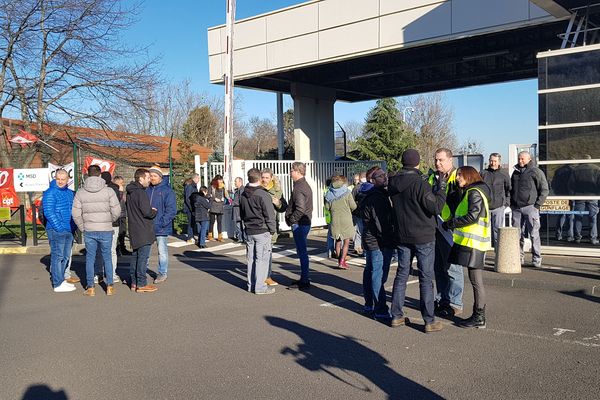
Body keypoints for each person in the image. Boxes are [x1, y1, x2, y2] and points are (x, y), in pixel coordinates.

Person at [388, 149, 447, 332]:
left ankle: (396, 315)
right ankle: (429, 320)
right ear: (417, 163)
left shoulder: (393, 183)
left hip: (402, 234)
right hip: (423, 235)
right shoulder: (420, 184)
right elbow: (436, 207)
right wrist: (441, 188)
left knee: (402, 274)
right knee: (425, 277)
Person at [443, 166, 491, 328]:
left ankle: (479, 317)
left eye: (460, 176)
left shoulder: (474, 192)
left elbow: (472, 215)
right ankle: (478, 316)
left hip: (473, 243)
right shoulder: (476, 191)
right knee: (475, 280)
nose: (457, 178)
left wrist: (452, 223)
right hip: (473, 242)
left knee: (476, 281)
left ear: (469, 176)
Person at [72, 165, 120, 296]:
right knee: (107, 257)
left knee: (90, 258)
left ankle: (90, 287)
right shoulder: (109, 191)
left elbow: (75, 213)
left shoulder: (80, 192)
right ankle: (110, 286)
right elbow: (117, 210)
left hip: (89, 229)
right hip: (106, 229)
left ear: (88, 175)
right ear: (100, 175)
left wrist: (82, 227)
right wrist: (109, 220)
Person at [429, 148, 464, 317]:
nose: (438, 163)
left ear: (450, 160)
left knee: (453, 268)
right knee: (439, 267)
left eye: (441, 160)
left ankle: (455, 303)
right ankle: (442, 300)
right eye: (436, 160)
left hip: (451, 229)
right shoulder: (432, 177)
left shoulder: (459, 177)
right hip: (435, 228)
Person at [361, 166, 395, 319]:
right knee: (377, 274)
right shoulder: (377, 197)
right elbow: (381, 224)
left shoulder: (375, 194)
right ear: (372, 180)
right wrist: (388, 241)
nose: (384, 177)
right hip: (377, 242)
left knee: (370, 272)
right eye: (380, 176)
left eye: (384, 175)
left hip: (371, 239)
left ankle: (369, 304)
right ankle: (380, 308)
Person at [240, 168, 277, 294]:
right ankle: (260, 287)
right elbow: (269, 214)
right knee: (262, 259)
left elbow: (242, 213)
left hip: (249, 229)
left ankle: (251, 284)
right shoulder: (263, 194)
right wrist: (272, 230)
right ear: (260, 178)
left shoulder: (243, 194)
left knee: (251, 259)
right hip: (262, 229)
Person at [510, 151, 549, 267]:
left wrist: (537, 205)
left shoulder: (536, 171)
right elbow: (511, 189)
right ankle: (519, 257)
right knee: (517, 235)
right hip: (516, 209)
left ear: (529, 159)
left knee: (534, 234)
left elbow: (544, 189)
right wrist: (511, 204)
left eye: (522, 159)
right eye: (519, 158)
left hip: (531, 207)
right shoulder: (515, 173)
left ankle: (536, 258)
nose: (520, 161)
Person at [43, 169, 78, 292]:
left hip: (69, 229)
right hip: (56, 229)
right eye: (58, 179)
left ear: (68, 179)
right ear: (55, 179)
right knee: (58, 256)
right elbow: (48, 211)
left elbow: (72, 210)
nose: (60, 181)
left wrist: (73, 226)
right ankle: (57, 284)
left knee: (65, 256)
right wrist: (59, 227)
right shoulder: (50, 192)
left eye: (63, 179)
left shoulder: (69, 193)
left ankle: (61, 279)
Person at [126, 168, 158, 293]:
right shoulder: (140, 192)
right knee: (143, 258)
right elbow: (147, 212)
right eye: (148, 178)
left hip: (134, 227)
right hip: (143, 228)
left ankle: (134, 282)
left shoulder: (130, 191)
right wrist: (154, 211)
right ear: (141, 178)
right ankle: (141, 283)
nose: (149, 181)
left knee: (136, 256)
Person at [285, 162, 313, 290]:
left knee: (302, 252)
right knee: (302, 252)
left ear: (297, 171)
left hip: (300, 223)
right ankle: (304, 278)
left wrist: (292, 220)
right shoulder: (302, 185)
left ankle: (305, 279)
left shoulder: (299, 187)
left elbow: (300, 208)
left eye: (291, 170)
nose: (290, 173)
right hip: (303, 222)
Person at [147, 165, 177, 283]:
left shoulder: (167, 191)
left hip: (161, 226)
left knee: (162, 251)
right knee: (146, 251)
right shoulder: (147, 189)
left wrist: (161, 223)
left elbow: (171, 210)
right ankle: (142, 271)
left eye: (154, 176)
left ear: (160, 177)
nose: (152, 178)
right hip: (147, 226)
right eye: (150, 176)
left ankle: (162, 272)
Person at [261, 168, 288, 286]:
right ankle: (259, 276)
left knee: (268, 252)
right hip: (258, 224)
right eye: (263, 177)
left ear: (271, 178)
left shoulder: (277, 191)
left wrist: (278, 203)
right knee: (259, 253)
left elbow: (283, 208)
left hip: (271, 225)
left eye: (267, 178)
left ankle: (267, 276)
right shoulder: (257, 189)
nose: (265, 180)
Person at [324, 175, 357, 270]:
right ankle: (342, 261)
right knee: (346, 242)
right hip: (346, 219)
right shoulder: (347, 192)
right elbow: (353, 206)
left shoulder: (329, 193)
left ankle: (339, 260)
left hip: (335, 220)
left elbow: (327, 207)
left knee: (338, 241)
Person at [480, 153, 511, 248]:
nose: (493, 163)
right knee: (484, 232)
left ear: (499, 162)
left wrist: (506, 203)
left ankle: (498, 255)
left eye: (495, 161)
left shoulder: (504, 174)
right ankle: (482, 256)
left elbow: (509, 190)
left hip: (498, 207)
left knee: (497, 231)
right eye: (491, 160)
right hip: (485, 207)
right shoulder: (483, 173)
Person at [568, 156, 600, 244]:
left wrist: (572, 196)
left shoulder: (576, 170)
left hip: (579, 197)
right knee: (593, 217)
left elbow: (571, 184)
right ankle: (593, 238)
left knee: (578, 217)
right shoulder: (596, 169)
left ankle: (577, 237)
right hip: (593, 197)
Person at [101, 171, 122, 283]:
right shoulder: (115, 189)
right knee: (112, 250)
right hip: (113, 223)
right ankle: (112, 274)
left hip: (100, 223)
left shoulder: (97, 189)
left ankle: (99, 273)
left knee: (100, 250)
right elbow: (117, 206)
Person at [551, 163, 574, 241]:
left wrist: (557, 192)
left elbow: (553, 183)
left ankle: (558, 234)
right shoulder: (572, 171)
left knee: (561, 215)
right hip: (570, 195)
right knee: (570, 216)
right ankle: (570, 236)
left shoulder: (558, 171)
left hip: (560, 194)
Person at [113, 176, 131, 255]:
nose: (122, 185)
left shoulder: (123, 193)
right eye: (121, 183)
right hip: (117, 215)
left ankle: (123, 248)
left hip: (123, 214)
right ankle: (117, 248)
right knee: (117, 233)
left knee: (123, 232)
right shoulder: (114, 191)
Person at [208, 174, 229, 242]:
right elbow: (208, 195)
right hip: (213, 205)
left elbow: (226, 195)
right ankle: (210, 235)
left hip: (220, 205)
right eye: (220, 180)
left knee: (219, 222)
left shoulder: (223, 187)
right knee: (212, 221)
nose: (221, 181)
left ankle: (220, 236)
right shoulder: (212, 186)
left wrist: (224, 198)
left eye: (221, 180)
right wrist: (214, 198)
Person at [351, 171, 367, 256]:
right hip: (366, 213)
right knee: (364, 232)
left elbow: (352, 200)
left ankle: (358, 247)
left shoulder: (356, 188)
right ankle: (363, 250)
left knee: (360, 231)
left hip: (358, 213)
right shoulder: (371, 187)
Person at [184, 174, 199, 243]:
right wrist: (191, 208)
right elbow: (188, 198)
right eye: (198, 178)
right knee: (191, 222)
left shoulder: (193, 185)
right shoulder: (190, 186)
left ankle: (192, 236)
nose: (199, 180)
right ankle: (189, 237)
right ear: (194, 178)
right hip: (190, 207)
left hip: (193, 207)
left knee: (193, 222)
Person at [231, 177, 246, 243]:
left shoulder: (242, 190)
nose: (235, 183)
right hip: (237, 210)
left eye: (236, 181)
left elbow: (241, 201)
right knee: (239, 225)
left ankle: (243, 238)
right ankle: (241, 238)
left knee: (241, 225)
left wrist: (233, 202)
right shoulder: (238, 190)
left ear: (240, 182)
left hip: (239, 210)